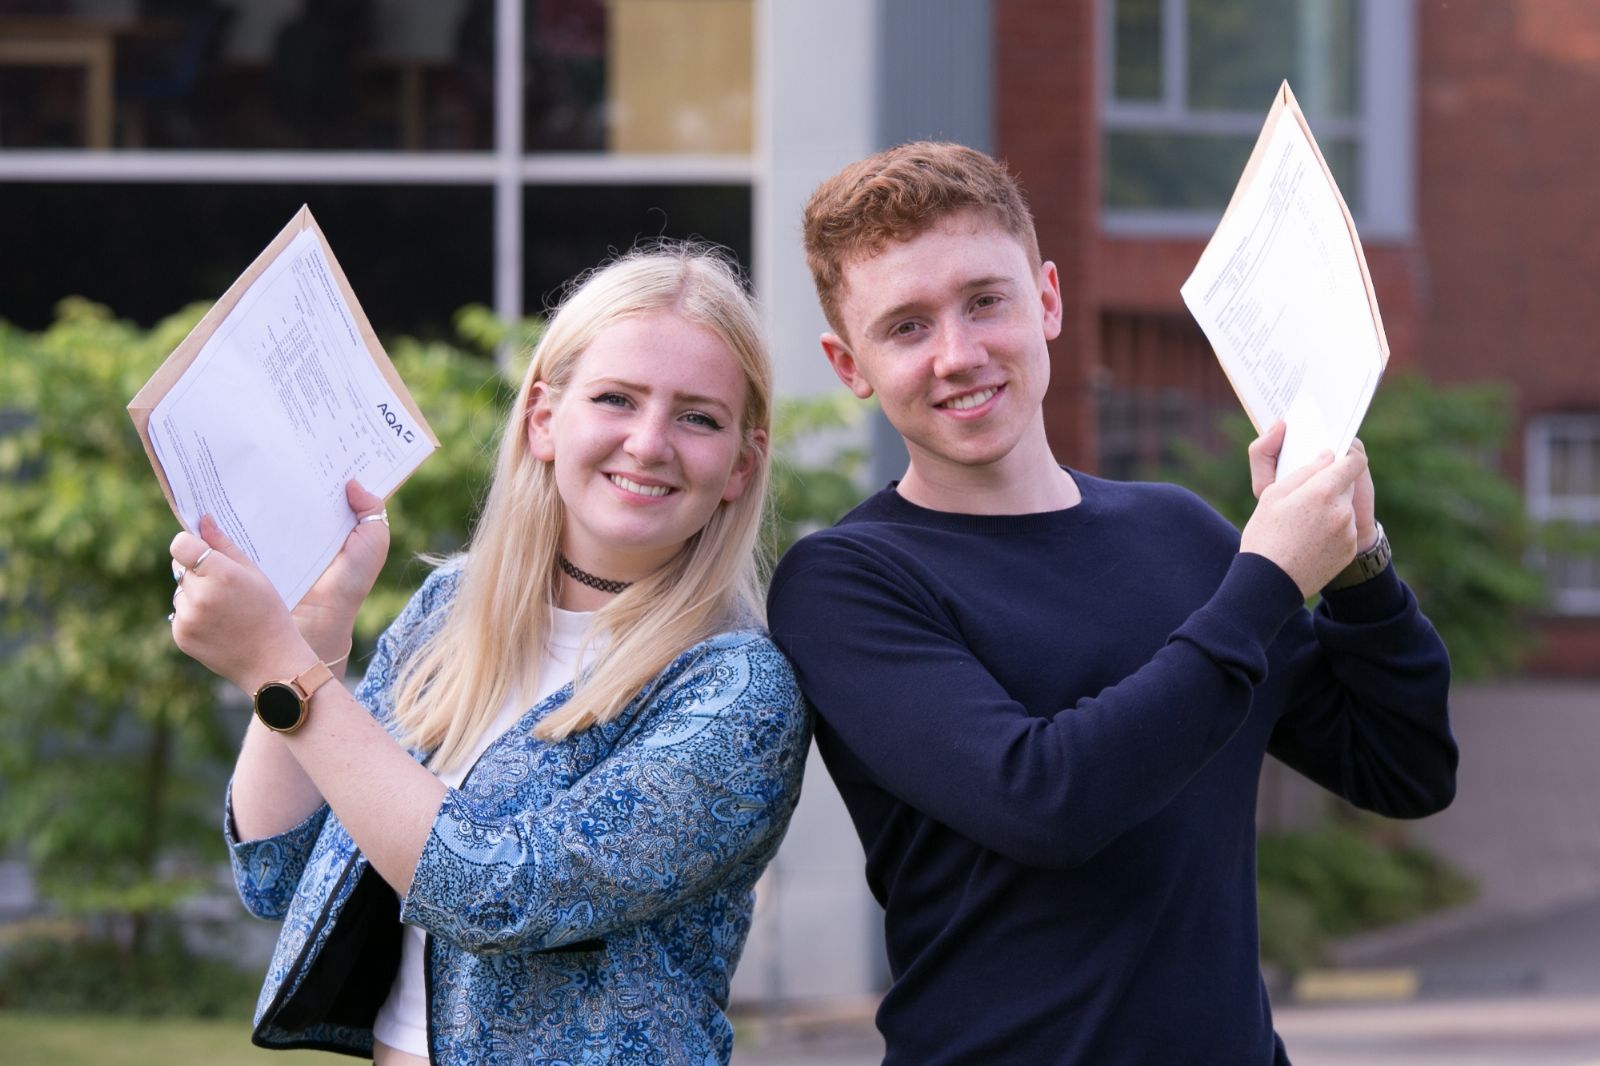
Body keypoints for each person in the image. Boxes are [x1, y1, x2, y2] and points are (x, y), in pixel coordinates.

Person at [765, 142, 1457, 1065]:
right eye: (906, 327)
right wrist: (1270, 576)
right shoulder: (848, 582)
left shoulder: (1181, 534)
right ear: (849, 365)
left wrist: (1358, 563)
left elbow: (1404, 769)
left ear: (1046, 300)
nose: (958, 355)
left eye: (985, 302)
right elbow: (1046, 803)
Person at [167, 244, 811, 1064]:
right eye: (616, 399)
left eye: (698, 417)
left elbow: (506, 892)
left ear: (739, 464)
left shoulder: (737, 689)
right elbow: (280, 872)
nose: (649, 443)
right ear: (544, 417)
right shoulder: (453, 608)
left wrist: (277, 667)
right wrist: (316, 630)